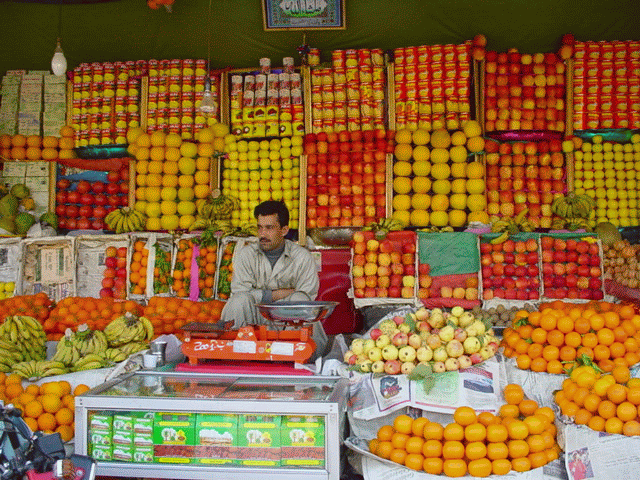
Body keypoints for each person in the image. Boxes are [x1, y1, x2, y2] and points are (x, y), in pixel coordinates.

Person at [220, 201, 325, 351]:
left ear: (284, 230)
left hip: (289, 321)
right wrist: (276, 294)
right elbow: (240, 291)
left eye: (269, 228)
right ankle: (237, 354)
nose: (262, 234)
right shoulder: (246, 254)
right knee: (239, 301)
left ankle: (296, 355)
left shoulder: (302, 257)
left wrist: (261, 295)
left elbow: (307, 296)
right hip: (254, 318)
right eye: (260, 228)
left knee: (300, 300)